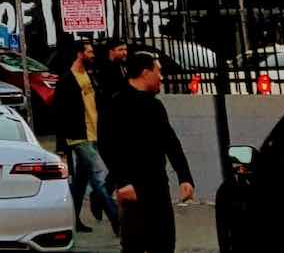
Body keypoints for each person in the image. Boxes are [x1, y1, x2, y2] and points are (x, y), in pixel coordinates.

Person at [98, 52, 194, 253]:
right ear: (145, 72)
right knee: (135, 245)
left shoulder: (155, 106)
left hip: (158, 188)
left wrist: (185, 177)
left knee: (165, 244)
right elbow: (107, 146)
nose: (162, 77)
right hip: (132, 192)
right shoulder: (115, 105)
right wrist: (122, 181)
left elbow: (171, 143)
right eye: (158, 71)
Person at [52, 40, 120, 233]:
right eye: (89, 52)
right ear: (79, 54)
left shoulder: (91, 75)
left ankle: (73, 220)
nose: (93, 55)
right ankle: (117, 218)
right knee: (100, 175)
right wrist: (61, 144)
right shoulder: (67, 80)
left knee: (81, 182)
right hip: (78, 137)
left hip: (94, 133)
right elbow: (59, 113)